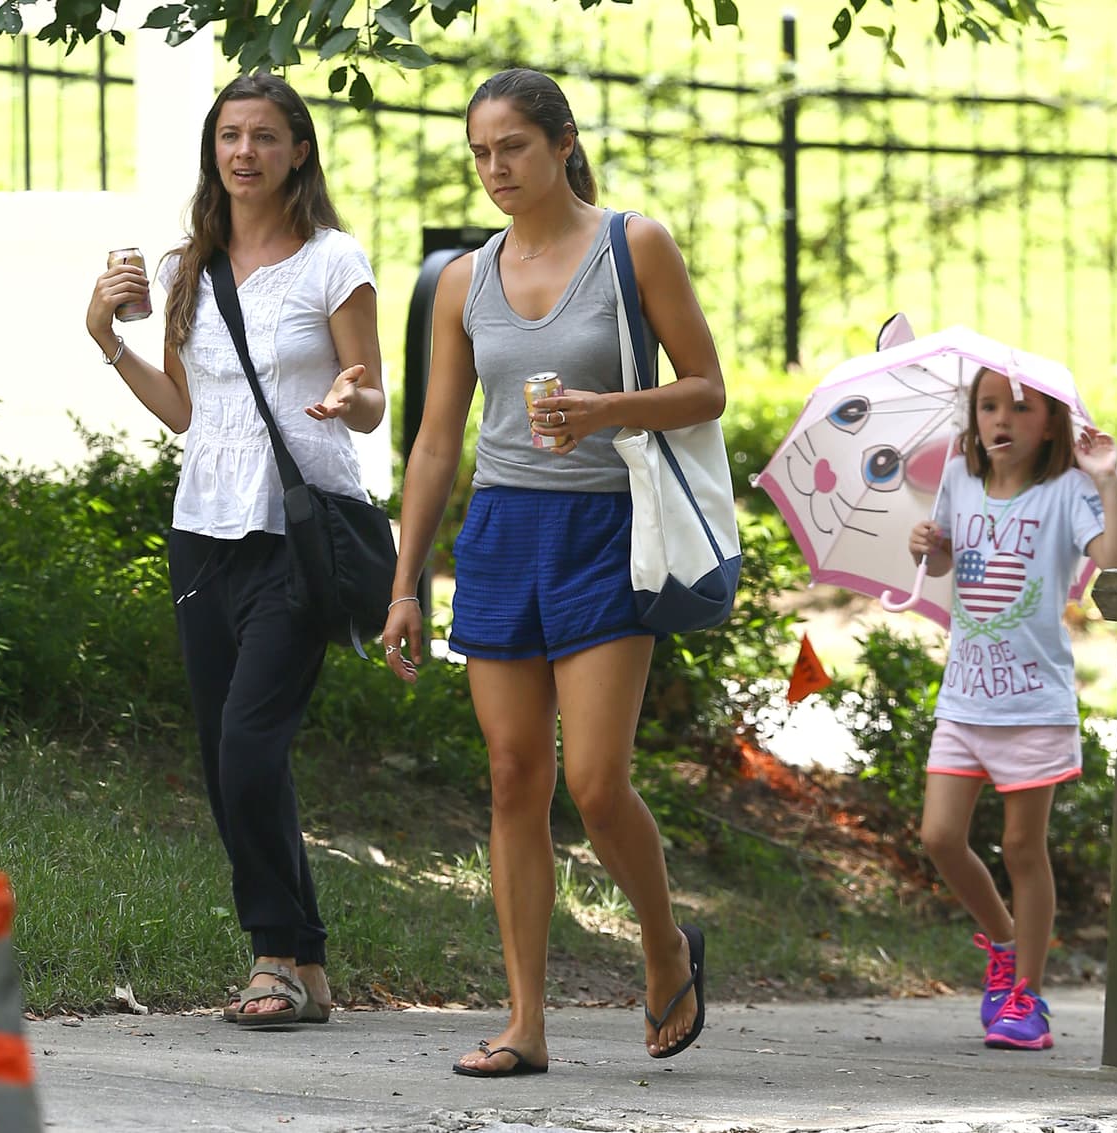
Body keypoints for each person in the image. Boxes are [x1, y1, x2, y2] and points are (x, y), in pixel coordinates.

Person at [382, 67, 719, 1076]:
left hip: (606, 530)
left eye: (511, 148)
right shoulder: (460, 277)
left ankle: (662, 941)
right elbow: (438, 440)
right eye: (479, 152)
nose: (493, 168)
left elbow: (703, 388)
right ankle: (523, 1020)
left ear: (562, 141)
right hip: (499, 535)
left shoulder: (633, 244)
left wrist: (602, 408)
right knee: (512, 777)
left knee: (595, 781)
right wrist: (405, 580)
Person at [84, 73, 385, 1028]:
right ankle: (312, 960)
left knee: (251, 745)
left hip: (298, 532)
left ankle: (271, 956)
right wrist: (105, 339)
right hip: (201, 532)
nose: (243, 152)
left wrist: (351, 398)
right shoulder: (186, 270)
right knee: (226, 755)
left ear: (299, 150)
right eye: (228, 137)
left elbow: (373, 400)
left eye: (263, 136)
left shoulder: (335, 261)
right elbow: (187, 411)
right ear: (214, 154)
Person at [907, 366, 1117, 1051]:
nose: (1002, 419)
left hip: (1033, 703)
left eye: (1020, 408)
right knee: (940, 836)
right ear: (973, 417)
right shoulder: (959, 480)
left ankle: (1025, 994)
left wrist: (1106, 477)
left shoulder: (1067, 492)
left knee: (1024, 847)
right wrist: (932, 548)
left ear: (1052, 422)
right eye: (989, 406)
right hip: (966, 699)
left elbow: (1114, 558)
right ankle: (1003, 943)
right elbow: (947, 563)